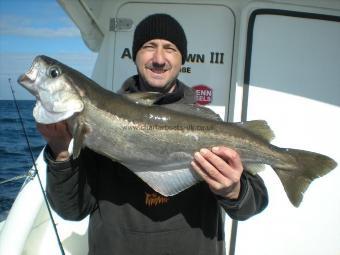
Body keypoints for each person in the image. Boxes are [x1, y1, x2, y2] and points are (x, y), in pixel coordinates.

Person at [39, 13, 268, 255]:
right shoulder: (96, 127)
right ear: (135, 54)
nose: (159, 58)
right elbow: (72, 210)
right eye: (149, 47)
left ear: (182, 59)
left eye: (170, 48)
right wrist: (61, 153)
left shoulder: (207, 123)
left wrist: (234, 191)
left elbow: (253, 204)